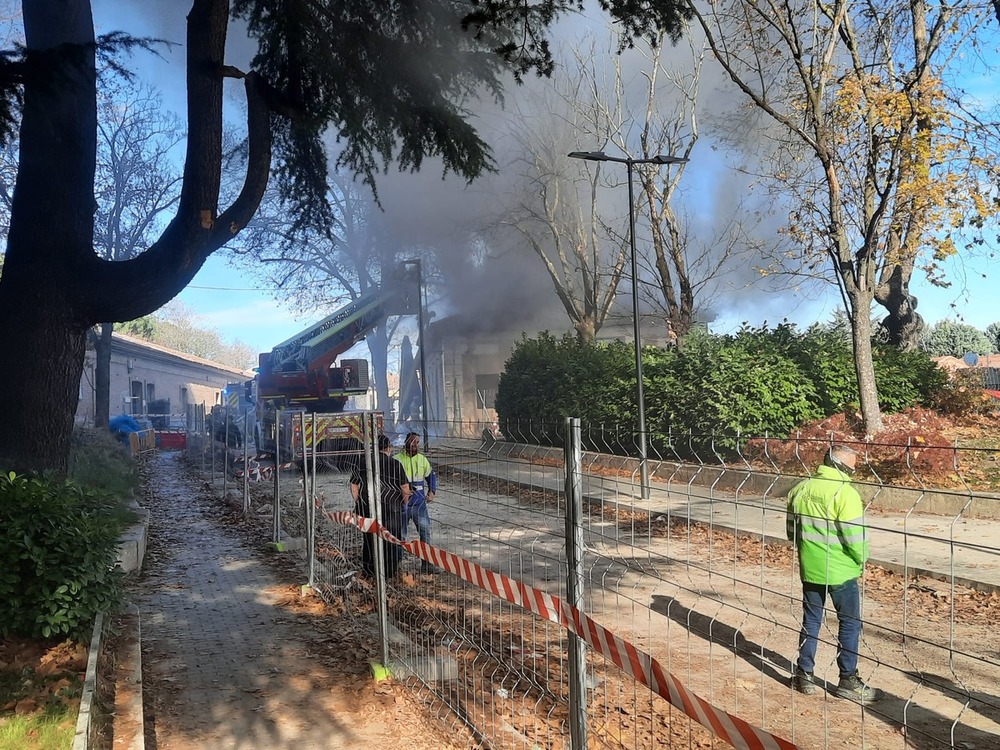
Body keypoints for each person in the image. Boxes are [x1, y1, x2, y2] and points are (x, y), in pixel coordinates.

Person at [786, 445, 882, 702]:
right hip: (842, 571)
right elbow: (855, 538)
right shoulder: (846, 494)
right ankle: (847, 679)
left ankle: (804, 674)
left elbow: (791, 532)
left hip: (811, 568)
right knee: (849, 623)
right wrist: (862, 560)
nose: (853, 473)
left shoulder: (801, 489)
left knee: (812, 621)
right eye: (851, 468)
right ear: (842, 467)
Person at [350, 434, 411, 579]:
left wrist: (359, 501)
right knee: (390, 539)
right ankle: (388, 572)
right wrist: (404, 503)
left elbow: (354, 485)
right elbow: (405, 488)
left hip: (368, 508)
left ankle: (370, 570)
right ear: (388, 448)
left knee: (369, 539)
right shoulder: (395, 464)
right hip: (391, 508)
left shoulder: (362, 462)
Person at [395, 432, 438, 573]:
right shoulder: (396, 460)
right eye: (413, 441)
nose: (415, 445)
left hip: (419, 504)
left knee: (425, 533)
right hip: (401, 504)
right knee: (399, 535)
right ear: (406, 442)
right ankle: (396, 565)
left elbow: (431, 476)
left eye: (417, 442)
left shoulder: (422, 460)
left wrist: (432, 491)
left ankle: (427, 564)